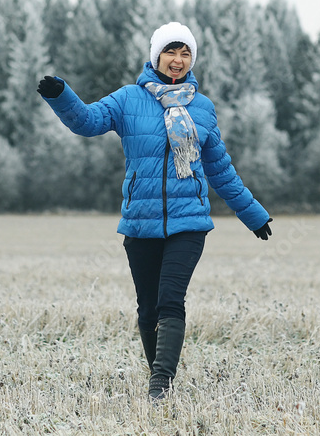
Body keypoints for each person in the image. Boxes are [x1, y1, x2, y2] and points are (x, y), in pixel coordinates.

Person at [37, 21, 273, 400]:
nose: (178, 60)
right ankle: (159, 380)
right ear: (156, 56)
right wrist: (60, 95)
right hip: (140, 222)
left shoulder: (202, 108)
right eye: (171, 52)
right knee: (147, 309)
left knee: (169, 300)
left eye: (185, 53)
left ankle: (160, 384)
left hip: (189, 222)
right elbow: (87, 121)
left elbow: (219, 169)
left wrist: (253, 214)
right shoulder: (128, 99)